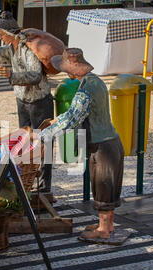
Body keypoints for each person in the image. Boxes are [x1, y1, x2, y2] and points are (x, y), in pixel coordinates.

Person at [37, 48, 125, 242]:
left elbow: (71, 119)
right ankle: (107, 225)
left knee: (103, 187)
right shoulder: (96, 81)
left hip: (102, 148)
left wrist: (43, 136)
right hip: (112, 143)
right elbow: (77, 114)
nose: (65, 73)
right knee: (108, 188)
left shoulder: (85, 90)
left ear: (75, 68)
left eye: (66, 68)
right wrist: (56, 121)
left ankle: (103, 230)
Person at [0, 11, 53, 193]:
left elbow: (36, 75)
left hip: (39, 102)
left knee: (43, 143)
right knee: (25, 143)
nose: (1, 38)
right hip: (22, 101)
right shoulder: (10, 49)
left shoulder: (27, 49)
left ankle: (44, 184)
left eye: (2, 35)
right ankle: (29, 179)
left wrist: (11, 75)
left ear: (11, 34)